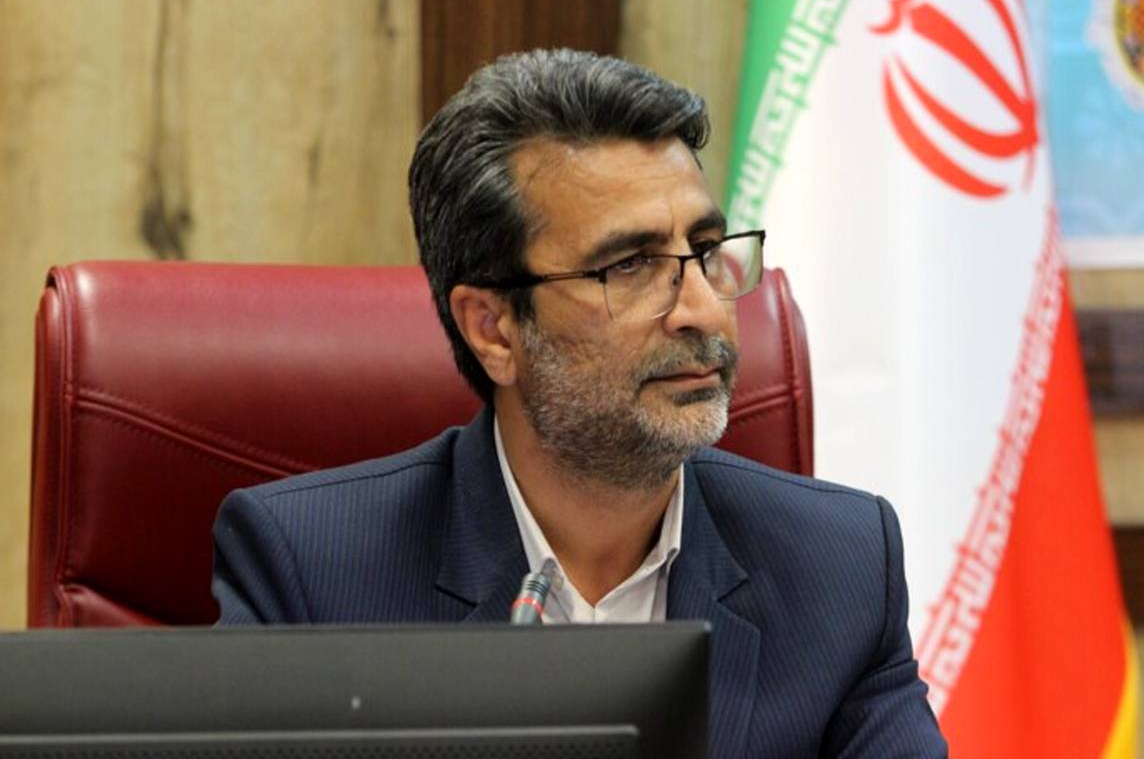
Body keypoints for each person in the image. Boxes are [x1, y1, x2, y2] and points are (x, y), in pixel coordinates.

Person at [212, 48, 947, 757]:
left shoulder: (840, 564)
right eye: (630, 266)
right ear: (493, 328)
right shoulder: (311, 574)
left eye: (706, 250)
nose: (703, 310)